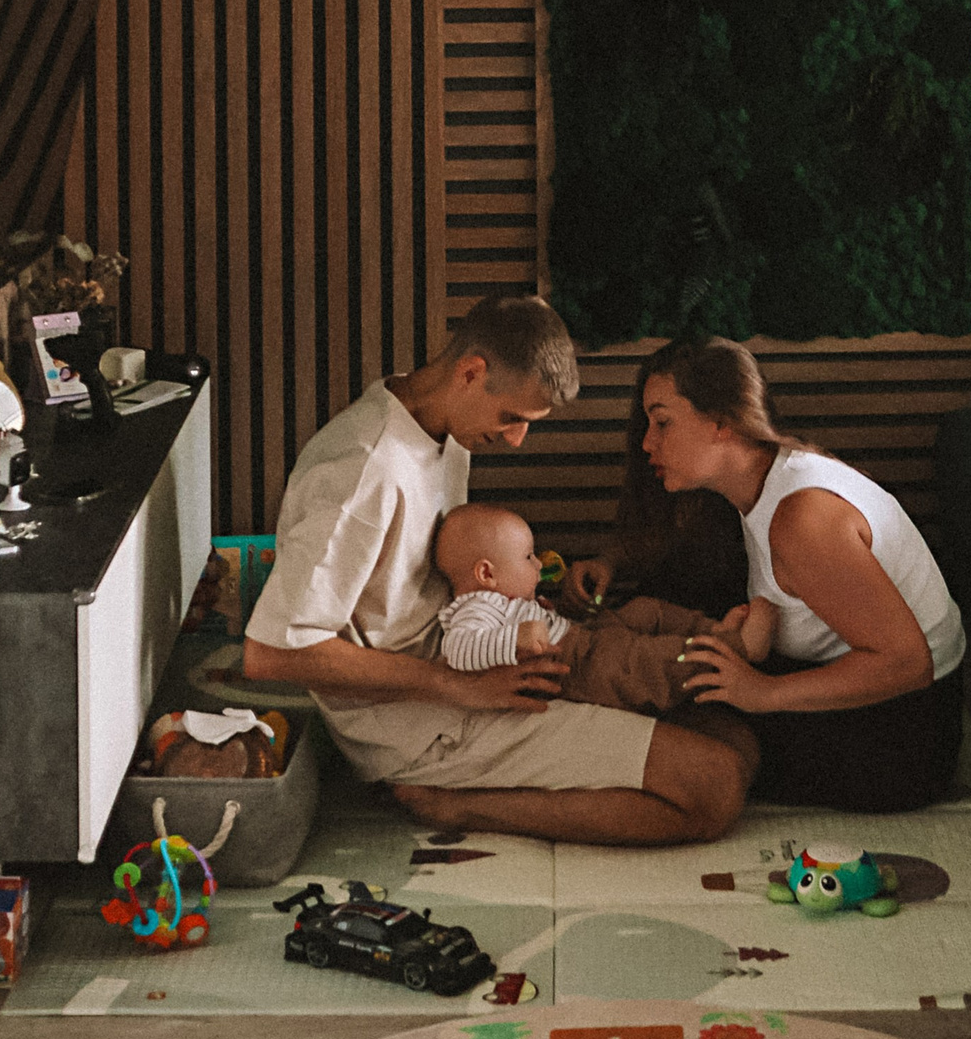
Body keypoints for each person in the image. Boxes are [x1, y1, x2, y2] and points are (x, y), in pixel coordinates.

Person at [241, 293, 756, 843]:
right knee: (716, 785)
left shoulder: (436, 422)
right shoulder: (363, 472)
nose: (515, 439)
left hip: (478, 656)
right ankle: (454, 806)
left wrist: (523, 606)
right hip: (418, 719)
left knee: (736, 737)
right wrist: (458, 687)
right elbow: (272, 652)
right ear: (471, 372)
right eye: (512, 418)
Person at [566, 336, 965, 810]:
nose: (647, 441)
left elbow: (908, 663)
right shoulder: (768, 474)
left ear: (722, 422)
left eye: (663, 422)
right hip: (884, 700)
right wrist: (610, 563)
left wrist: (764, 693)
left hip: (900, 738)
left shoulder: (803, 519)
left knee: (670, 720)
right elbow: (672, 545)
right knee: (672, 644)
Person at [433, 501, 777, 712]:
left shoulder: (510, 601)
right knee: (644, 662)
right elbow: (458, 648)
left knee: (643, 610)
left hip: (586, 638)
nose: (538, 565)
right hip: (575, 669)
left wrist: (557, 612)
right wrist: (517, 639)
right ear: (486, 574)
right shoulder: (474, 606)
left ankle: (713, 630)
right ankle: (739, 646)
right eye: (527, 557)